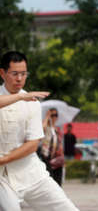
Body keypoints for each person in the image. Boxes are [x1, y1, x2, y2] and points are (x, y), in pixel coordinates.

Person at [0, 51, 78, 211]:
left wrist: (3, 159)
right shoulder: (23, 97)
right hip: (2, 177)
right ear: (2, 73)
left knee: (67, 208)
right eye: (15, 74)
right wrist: (20, 97)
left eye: (23, 74)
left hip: (30, 170)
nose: (20, 79)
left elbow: (32, 144)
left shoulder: (32, 102)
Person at [39, 108, 64, 186]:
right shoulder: (47, 127)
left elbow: (60, 143)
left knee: (58, 182)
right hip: (47, 157)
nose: (54, 117)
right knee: (49, 181)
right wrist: (46, 117)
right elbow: (42, 129)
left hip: (57, 158)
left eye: (56, 115)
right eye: (52, 115)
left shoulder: (58, 129)